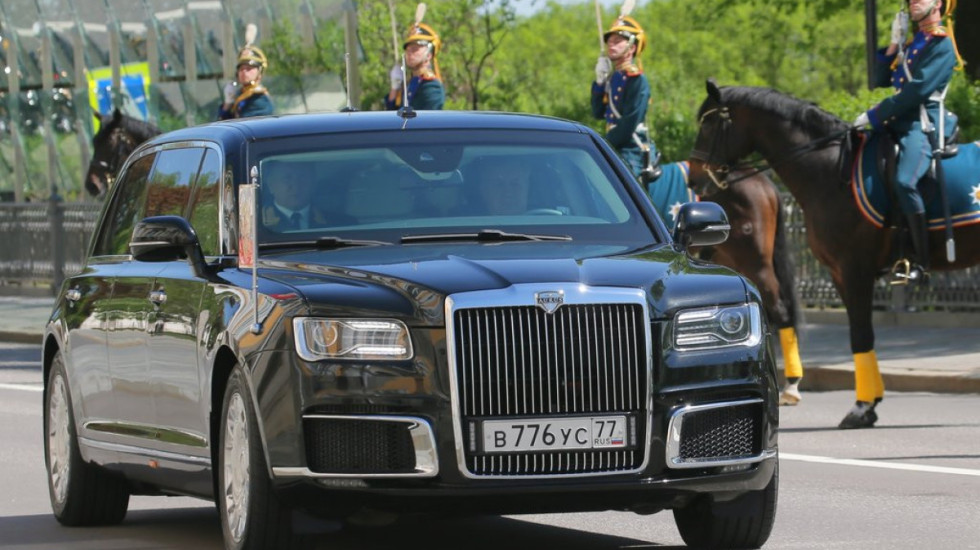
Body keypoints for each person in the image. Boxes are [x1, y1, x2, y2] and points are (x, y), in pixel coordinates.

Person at [853, 0, 962, 284]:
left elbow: (917, 91)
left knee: (905, 181)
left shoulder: (942, 45)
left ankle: (921, 262)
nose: (914, 1)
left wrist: (875, 114)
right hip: (898, 122)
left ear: (938, 4)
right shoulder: (913, 44)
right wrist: (894, 44)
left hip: (922, 124)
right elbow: (880, 80)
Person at [591, 15, 657, 181]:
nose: (611, 45)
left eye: (617, 41)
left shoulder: (637, 80)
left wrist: (602, 144)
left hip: (631, 151)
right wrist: (599, 81)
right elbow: (597, 112)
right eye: (609, 41)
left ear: (632, 47)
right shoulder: (613, 78)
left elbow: (628, 124)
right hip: (616, 146)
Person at [385, 22, 445, 111]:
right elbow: (392, 111)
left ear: (428, 55)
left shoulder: (432, 87)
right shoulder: (409, 83)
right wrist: (395, 87)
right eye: (407, 50)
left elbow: (427, 118)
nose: (409, 53)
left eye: (415, 49)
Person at [218, 44, 274, 120]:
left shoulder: (260, 99)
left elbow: (243, 124)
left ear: (259, 74)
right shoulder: (240, 94)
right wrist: (227, 104)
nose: (244, 71)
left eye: (249, 68)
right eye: (241, 69)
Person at [262, 161, 321, 231]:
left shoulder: (331, 222)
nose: (296, 187)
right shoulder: (257, 223)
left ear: (313, 183)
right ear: (270, 185)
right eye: (287, 179)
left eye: (302, 178)